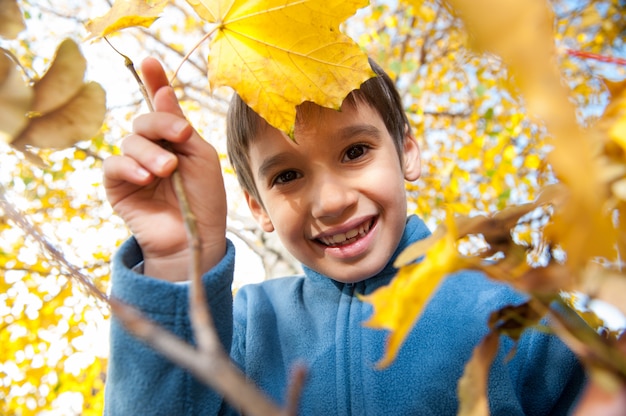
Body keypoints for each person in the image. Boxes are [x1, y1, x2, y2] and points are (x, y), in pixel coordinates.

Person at [103, 57, 585, 415]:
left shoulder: (515, 308)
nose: (331, 201)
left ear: (407, 153)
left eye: (355, 151)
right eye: (287, 177)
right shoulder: (246, 330)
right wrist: (177, 260)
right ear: (257, 207)